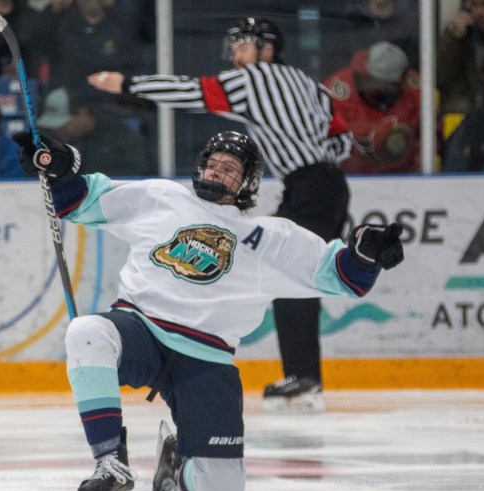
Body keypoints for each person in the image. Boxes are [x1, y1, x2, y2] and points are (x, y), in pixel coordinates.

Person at [13, 129, 404, 491]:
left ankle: (175, 470)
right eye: (212, 163)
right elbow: (81, 201)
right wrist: (58, 168)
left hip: (206, 360)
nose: (217, 172)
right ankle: (109, 463)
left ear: (247, 182)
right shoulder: (161, 198)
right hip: (141, 330)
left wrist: (364, 252)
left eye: (229, 168)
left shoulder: (268, 238)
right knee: (87, 331)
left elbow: (337, 275)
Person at [88, 16, 353, 413]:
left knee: (290, 271)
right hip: (327, 184)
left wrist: (127, 84)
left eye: (243, 44)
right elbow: (342, 138)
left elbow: (195, 91)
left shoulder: (254, 80)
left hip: (309, 186)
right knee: (291, 271)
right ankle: (305, 376)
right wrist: (319, 170)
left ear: (266, 48)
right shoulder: (308, 84)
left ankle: (305, 380)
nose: (235, 54)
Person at [324, 42, 421, 174]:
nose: (366, 84)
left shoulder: (417, 92)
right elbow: (319, 140)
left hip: (407, 176)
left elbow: (432, 134)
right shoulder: (337, 94)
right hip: (349, 177)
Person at [36, 86, 150, 176]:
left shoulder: (122, 137)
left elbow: (137, 172)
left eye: (62, 124)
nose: (57, 130)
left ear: (83, 114)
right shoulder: (51, 143)